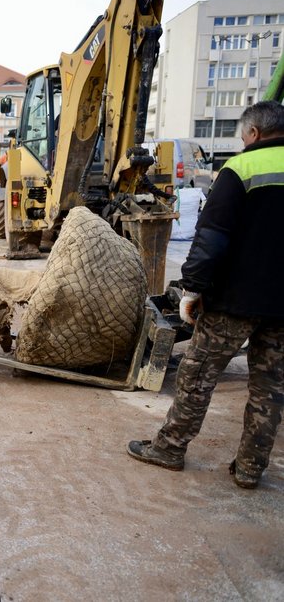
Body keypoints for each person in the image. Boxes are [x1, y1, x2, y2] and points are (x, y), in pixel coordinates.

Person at [127, 101, 284, 490]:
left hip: (234, 299)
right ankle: (250, 468)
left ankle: (169, 448)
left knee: (197, 376)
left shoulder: (241, 168)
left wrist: (191, 288)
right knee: (270, 388)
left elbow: (212, 238)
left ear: (253, 134)